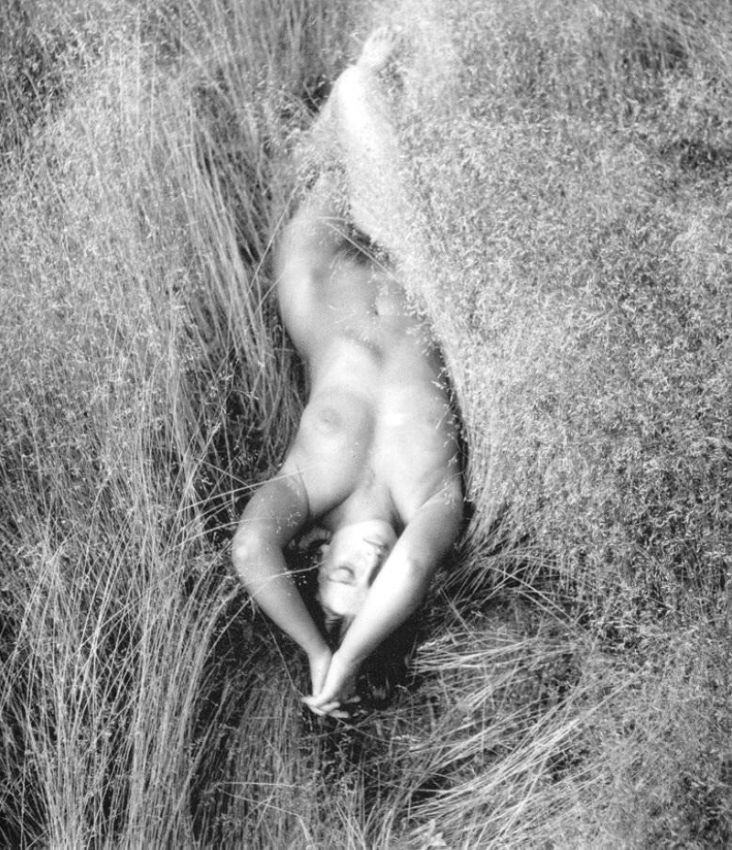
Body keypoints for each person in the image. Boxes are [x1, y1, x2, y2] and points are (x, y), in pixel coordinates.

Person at [231, 27, 464, 718]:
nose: (368, 564)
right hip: (409, 261)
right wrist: (354, 656)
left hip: (321, 274)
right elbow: (414, 565)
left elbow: (249, 547)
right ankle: (368, 82)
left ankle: (334, 100)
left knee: (339, 133)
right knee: (367, 97)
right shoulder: (432, 501)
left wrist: (317, 649)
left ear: (318, 553)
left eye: (342, 575)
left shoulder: (310, 490)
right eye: (374, 582)